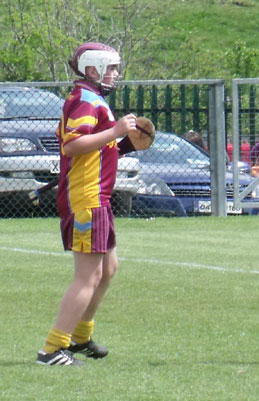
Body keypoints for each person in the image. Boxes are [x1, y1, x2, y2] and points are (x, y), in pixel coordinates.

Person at [36, 42, 138, 366]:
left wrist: (126, 144)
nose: (115, 74)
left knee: (108, 268)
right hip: (86, 198)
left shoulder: (90, 100)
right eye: (110, 68)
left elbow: (97, 149)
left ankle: (80, 336)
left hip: (97, 197)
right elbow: (73, 145)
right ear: (92, 69)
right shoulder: (84, 100)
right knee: (87, 277)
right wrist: (117, 130)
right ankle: (52, 349)